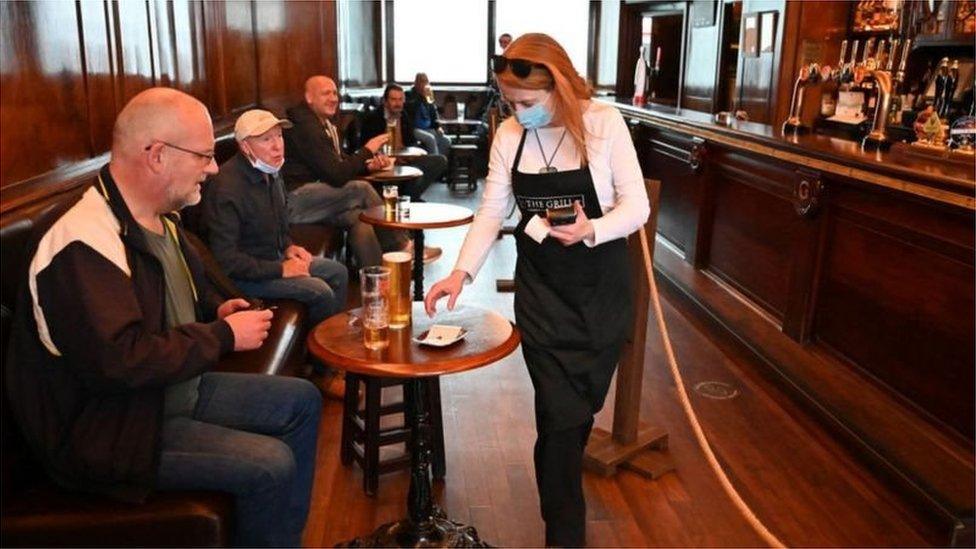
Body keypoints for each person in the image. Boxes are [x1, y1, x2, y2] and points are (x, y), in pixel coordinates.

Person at [5, 87, 322, 547]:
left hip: (166, 392)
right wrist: (221, 336)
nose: (214, 169)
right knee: (270, 464)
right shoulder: (80, 243)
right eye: (204, 156)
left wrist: (216, 308)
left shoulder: (156, 217)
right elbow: (120, 361)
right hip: (112, 429)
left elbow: (165, 302)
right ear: (156, 155)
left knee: (302, 401)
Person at [424, 34, 649, 547]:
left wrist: (592, 228)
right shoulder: (508, 135)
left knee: (574, 418)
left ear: (561, 88)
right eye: (510, 103)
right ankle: (564, 536)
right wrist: (461, 273)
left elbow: (637, 207)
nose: (517, 112)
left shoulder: (602, 123)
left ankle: (562, 527)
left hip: (600, 294)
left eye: (527, 103)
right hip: (542, 296)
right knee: (558, 417)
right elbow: (491, 211)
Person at [204, 109, 348, 331]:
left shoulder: (270, 168)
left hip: (275, 257)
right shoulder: (226, 188)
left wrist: (289, 246)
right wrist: (281, 270)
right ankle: (318, 363)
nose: (277, 146)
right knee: (320, 292)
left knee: (338, 272)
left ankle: (332, 344)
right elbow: (227, 261)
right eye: (266, 139)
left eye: (279, 136)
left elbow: (279, 221)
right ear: (245, 146)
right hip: (246, 276)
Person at [283, 75, 440, 264]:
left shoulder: (321, 122)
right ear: (309, 98)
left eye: (335, 93)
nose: (333, 98)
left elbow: (338, 163)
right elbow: (337, 175)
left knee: (361, 220)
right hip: (295, 201)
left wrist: (367, 165)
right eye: (326, 94)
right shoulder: (306, 127)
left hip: (317, 199)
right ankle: (402, 246)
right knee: (361, 189)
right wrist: (368, 150)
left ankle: (379, 281)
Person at [360, 83, 448, 202]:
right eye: (393, 99)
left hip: (404, 159)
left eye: (401, 99)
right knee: (408, 174)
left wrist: (409, 155)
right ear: (385, 101)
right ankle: (409, 198)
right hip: (382, 162)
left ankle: (409, 197)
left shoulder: (404, 115)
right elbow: (365, 147)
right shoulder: (373, 118)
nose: (398, 103)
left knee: (439, 161)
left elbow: (411, 141)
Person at [405, 72, 452, 156]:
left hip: (428, 128)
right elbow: (410, 109)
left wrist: (438, 127)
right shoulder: (409, 95)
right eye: (421, 81)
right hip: (414, 129)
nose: (424, 84)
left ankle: (438, 163)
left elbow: (434, 113)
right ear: (416, 83)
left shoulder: (428, 96)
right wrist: (420, 96)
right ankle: (436, 165)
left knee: (446, 140)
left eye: (426, 81)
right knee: (430, 139)